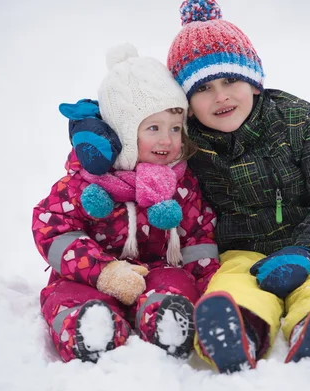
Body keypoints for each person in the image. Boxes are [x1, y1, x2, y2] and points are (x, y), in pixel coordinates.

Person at [164, 0, 310, 373]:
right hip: (242, 253)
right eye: (204, 88)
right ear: (186, 104)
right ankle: (236, 329)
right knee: (232, 285)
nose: (221, 96)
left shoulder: (296, 121)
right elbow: (140, 145)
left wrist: (309, 250)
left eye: (230, 80)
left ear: (254, 80)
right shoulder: (187, 145)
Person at [32, 43, 220, 363]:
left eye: (176, 128)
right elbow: (52, 228)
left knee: (176, 284)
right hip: (92, 274)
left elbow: (198, 237)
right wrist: (103, 272)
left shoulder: (180, 183)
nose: (167, 140)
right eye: (153, 128)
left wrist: (208, 290)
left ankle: (168, 320)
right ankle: (89, 326)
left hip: (159, 269)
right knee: (68, 295)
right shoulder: (86, 182)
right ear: (122, 132)